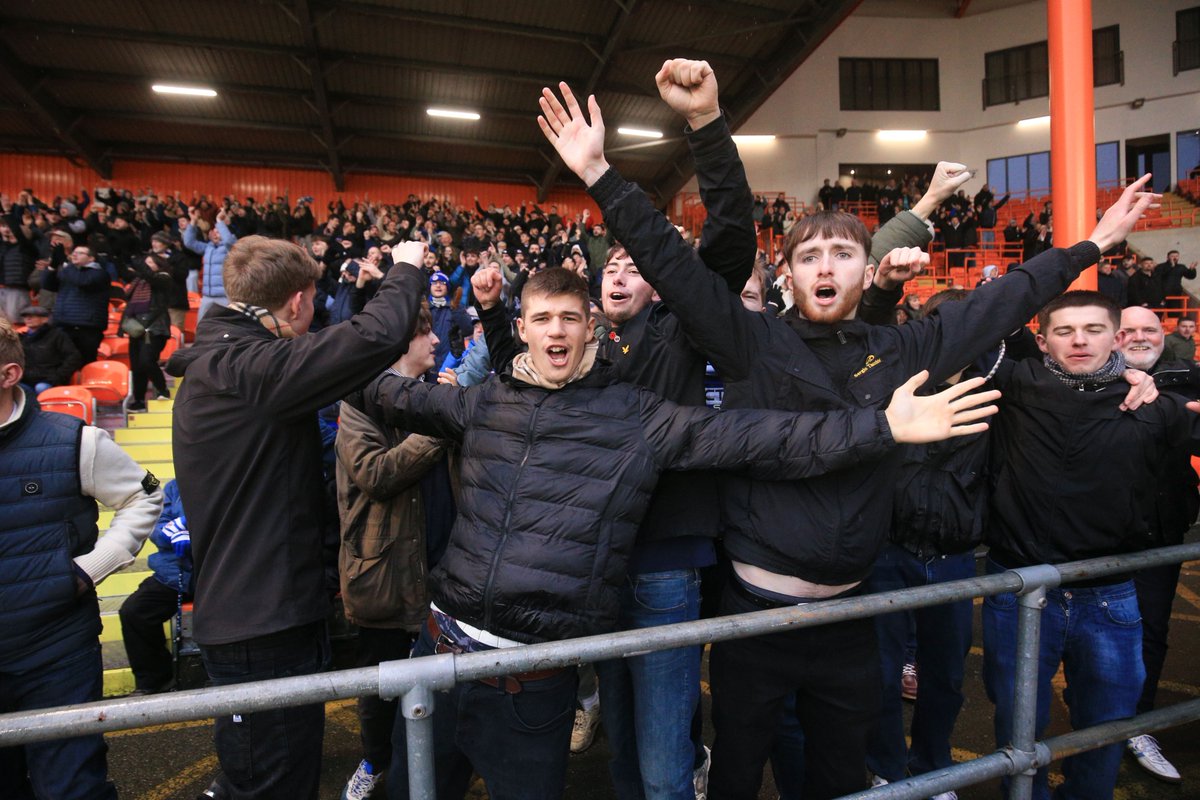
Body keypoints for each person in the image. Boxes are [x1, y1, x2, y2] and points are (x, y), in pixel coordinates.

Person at [536, 76, 1159, 798]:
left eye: (840, 254)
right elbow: (672, 265)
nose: (824, 265)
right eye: (808, 256)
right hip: (753, 620)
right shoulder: (750, 342)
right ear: (790, 275)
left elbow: (1004, 299)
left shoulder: (903, 349)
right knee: (737, 770)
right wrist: (599, 172)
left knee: (837, 776)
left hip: (853, 618)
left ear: (868, 270)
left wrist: (1091, 244)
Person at [364, 267, 999, 800]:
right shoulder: (484, 403)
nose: (555, 330)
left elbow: (768, 437)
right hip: (438, 657)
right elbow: (380, 391)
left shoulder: (637, 417)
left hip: (530, 678)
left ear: (591, 328)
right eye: (541, 319)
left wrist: (883, 428)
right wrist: (394, 280)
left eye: (568, 318)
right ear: (521, 328)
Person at [165, 237, 428, 800]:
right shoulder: (249, 370)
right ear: (297, 302)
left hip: (252, 616)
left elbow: (332, 357)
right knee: (274, 784)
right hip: (262, 629)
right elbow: (373, 340)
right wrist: (405, 270)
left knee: (257, 775)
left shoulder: (228, 361)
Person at [982, 292, 1200, 800]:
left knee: (1108, 725)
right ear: (1042, 341)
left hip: (1111, 591)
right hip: (1019, 588)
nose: (1079, 340)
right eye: (1064, 331)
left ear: (1116, 337)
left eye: (1093, 329)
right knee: (1018, 725)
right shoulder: (1014, 385)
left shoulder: (1154, 405)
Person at [0, 316, 162, 798]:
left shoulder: (75, 440)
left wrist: (89, 568)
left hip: (56, 653)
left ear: (9, 374)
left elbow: (147, 492)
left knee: (70, 789)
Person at [335, 306, 459, 800]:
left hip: (443, 566)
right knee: (381, 685)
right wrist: (439, 427)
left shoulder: (436, 396)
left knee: (446, 681)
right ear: (399, 344)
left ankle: (432, 768)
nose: (435, 342)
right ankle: (375, 760)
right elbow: (376, 474)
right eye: (425, 333)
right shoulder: (359, 405)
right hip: (383, 571)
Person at [1118, 306, 1200, 784]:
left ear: (1164, 334)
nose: (1138, 337)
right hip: (1092, 537)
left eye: (1149, 329)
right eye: (1127, 330)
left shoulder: (1189, 378)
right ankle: (1095, 717)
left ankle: (1138, 723)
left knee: (1152, 628)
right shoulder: (1089, 378)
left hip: (1160, 534)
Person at [118, 479, 192, 696]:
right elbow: (157, 524)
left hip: (218, 573)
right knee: (134, 612)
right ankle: (156, 679)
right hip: (175, 572)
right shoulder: (174, 487)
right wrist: (171, 532)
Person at [40, 244, 110, 364]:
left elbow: (82, 281)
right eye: (74, 252)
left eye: (80, 253)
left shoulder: (99, 274)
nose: (75, 254)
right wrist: (53, 266)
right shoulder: (69, 272)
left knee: (84, 362)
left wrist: (66, 264)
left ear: (91, 258)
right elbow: (47, 285)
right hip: (64, 324)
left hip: (86, 327)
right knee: (61, 362)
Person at [122, 253, 174, 411]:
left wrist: (139, 264)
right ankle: (138, 399)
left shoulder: (163, 279)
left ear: (158, 265)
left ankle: (162, 388)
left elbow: (150, 276)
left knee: (146, 361)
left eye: (149, 262)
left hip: (156, 328)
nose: (145, 265)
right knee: (137, 366)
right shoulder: (137, 282)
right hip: (136, 328)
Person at [182, 208, 236, 320]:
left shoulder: (230, 249)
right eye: (214, 231)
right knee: (201, 327)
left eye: (219, 232)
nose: (216, 234)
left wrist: (219, 221)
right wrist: (193, 222)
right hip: (207, 296)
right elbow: (189, 242)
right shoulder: (208, 247)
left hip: (224, 297)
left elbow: (228, 241)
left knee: (225, 328)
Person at [17, 305, 81, 393]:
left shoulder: (57, 336)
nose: (28, 319)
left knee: (41, 388)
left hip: (48, 380)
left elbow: (73, 357)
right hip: (25, 380)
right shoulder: (21, 339)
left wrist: (58, 376)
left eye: (32, 316)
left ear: (45, 319)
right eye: (25, 316)